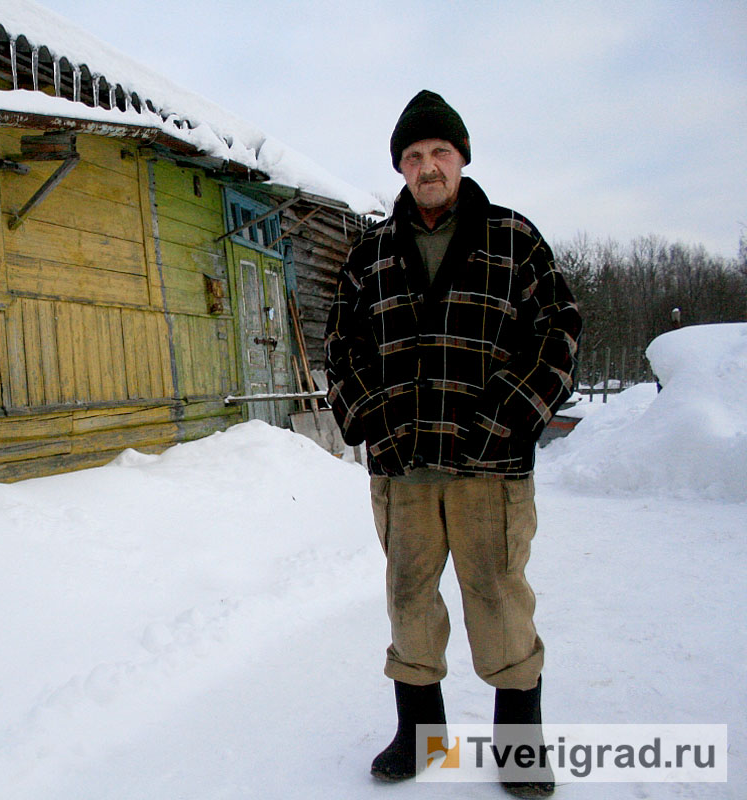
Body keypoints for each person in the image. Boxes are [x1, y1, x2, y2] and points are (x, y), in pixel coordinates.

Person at [324, 90, 581, 798]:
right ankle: (419, 735)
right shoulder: (370, 251)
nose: (427, 166)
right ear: (401, 169)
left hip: (489, 470)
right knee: (409, 599)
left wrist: (512, 416)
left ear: (462, 158)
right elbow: (340, 346)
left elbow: (560, 331)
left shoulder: (513, 238)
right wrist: (370, 418)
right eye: (413, 156)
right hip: (402, 469)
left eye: (440, 153)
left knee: (499, 600)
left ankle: (519, 751)